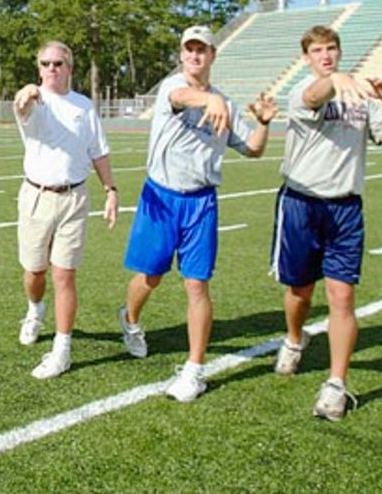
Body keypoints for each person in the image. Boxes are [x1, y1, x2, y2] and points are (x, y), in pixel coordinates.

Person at [117, 25, 276, 402]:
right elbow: (181, 96)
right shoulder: (173, 88)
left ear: (212, 56)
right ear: (181, 55)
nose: (194, 56)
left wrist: (265, 124)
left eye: (201, 50)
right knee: (150, 276)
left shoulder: (227, 104)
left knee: (197, 283)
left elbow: (252, 149)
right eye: (188, 50)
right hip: (161, 196)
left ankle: (194, 369)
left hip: (201, 201)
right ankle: (131, 319)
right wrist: (209, 102)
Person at [270, 24, 382, 421]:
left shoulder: (361, 100)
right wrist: (336, 80)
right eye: (317, 51)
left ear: (339, 51)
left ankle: (335, 383)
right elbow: (315, 94)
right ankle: (295, 339)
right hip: (300, 203)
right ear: (307, 58)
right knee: (299, 290)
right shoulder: (303, 91)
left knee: (343, 296)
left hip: (345, 207)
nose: (325, 55)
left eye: (331, 49)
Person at [12, 40, 119, 380]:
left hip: (74, 197)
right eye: (45, 63)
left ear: (70, 69)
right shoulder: (34, 101)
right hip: (37, 197)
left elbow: (97, 151)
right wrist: (27, 94)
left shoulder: (84, 107)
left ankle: (62, 348)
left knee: (64, 274)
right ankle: (34, 310)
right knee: (35, 273)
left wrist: (111, 189)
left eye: (59, 63)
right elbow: (22, 107)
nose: (52, 68)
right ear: (39, 68)